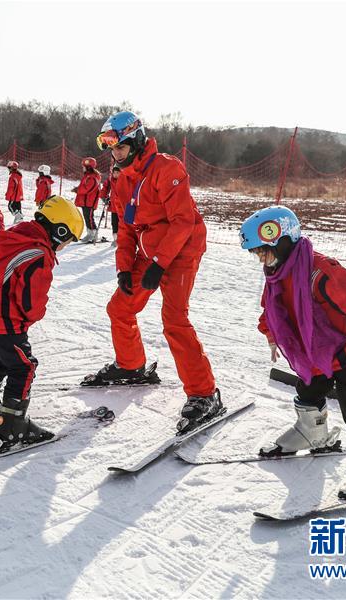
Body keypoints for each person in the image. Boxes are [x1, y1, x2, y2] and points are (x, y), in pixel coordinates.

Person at [239, 205, 346, 498]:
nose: (261, 260)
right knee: (307, 388)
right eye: (256, 254)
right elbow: (273, 308)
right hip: (312, 352)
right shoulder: (277, 274)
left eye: (263, 252)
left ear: (282, 241)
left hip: (344, 349)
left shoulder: (319, 270)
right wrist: (270, 333)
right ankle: (312, 432)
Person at [92, 110, 219, 432]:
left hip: (181, 251)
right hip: (151, 253)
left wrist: (160, 264)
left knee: (174, 320)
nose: (114, 154)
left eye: (118, 147)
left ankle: (205, 394)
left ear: (135, 139)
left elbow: (183, 221)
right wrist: (124, 267)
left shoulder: (166, 168)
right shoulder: (122, 180)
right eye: (110, 148)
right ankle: (132, 366)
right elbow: (126, 230)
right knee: (120, 307)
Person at [0, 196, 84, 457]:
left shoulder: (10, 236)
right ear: (59, 230)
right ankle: (13, 426)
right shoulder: (37, 252)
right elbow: (30, 302)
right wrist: (28, 319)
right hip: (1, 322)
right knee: (24, 366)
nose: (65, 246)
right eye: (68, 240)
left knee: (0, 358)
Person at [72, 157, 102, 243]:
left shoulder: (93, 177)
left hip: (89, 202)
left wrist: (78, 190)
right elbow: (84, 187)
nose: (83, 168)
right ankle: (89, 233)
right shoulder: (87, 176)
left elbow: (88, 188)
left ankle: (93, 234)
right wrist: (77, 188)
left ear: (89, 167)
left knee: (89, 218)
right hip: (85, 201)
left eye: (84, 166)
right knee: (86, 217)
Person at [100, 165, 122, 248]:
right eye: (114, 173)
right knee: (114, 223)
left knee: (122, 224)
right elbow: (105, 188)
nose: (116, 175)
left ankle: (122, 239)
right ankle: (115, 239)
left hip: (122, 206)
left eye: (117, 173)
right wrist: (103, 196)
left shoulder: (124, 180)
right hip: (113, 206)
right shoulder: (110, 180)